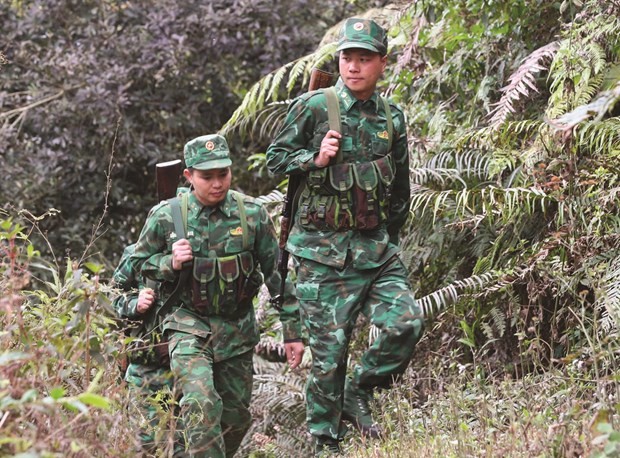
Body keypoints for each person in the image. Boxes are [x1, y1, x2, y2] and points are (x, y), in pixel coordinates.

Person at [266, 17, 424, 455]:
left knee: (405, 323)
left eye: (364, 58)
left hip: (376, 250)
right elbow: (274, 160)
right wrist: (314, 159)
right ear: (339, 61)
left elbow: (401, 188)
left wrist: (389, 239)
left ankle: (361, 389)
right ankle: (325, 440)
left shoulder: (392, 117)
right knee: (329, 359)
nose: (354, 67)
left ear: (382, 64)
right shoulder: (316, 107)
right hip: (322, 256)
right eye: (347, 58)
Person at [131, 134, 305, 458]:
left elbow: (276, 274)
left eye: (223, 174)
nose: (217, 183)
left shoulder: (251, 215)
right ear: (189, 176)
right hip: (186, 325)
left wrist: (292, 332)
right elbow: (135, 265)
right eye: (207, 176)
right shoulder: (167, 216)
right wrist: (169, 262)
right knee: (200, 403)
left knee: (235, 419)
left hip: (236, 328)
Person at [112, 243, 181, 456]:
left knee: (187, 446)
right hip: (147, 369)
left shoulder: (198, 250)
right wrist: (136, 304)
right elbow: (114, 296)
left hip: (192, 367)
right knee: (144, 444)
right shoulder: (136, 252)